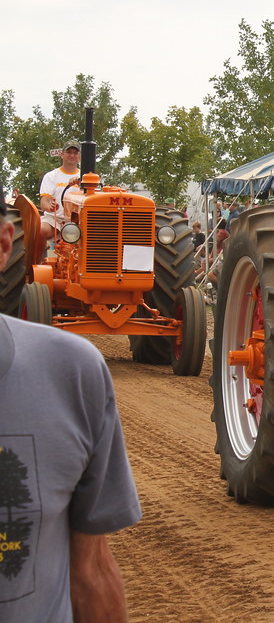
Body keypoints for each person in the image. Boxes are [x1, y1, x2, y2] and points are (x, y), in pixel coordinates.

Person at [0, 195, 141, 620]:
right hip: (62, 226)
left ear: (4, 243)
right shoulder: (52, 187)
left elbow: (91, 570)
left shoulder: (71, 371)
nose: (70, 158)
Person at [38, 140, 82, 245]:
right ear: (62, 155)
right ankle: (37, 259)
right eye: (69, 152)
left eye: (75, 153)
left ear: (79, 156)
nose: (72, 155)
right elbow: (44, 201)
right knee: (39, 230)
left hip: (78, 221)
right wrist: (50, 206)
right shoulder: (51, 176)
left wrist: (81, 185)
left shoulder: (85, 178)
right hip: (54, 219)